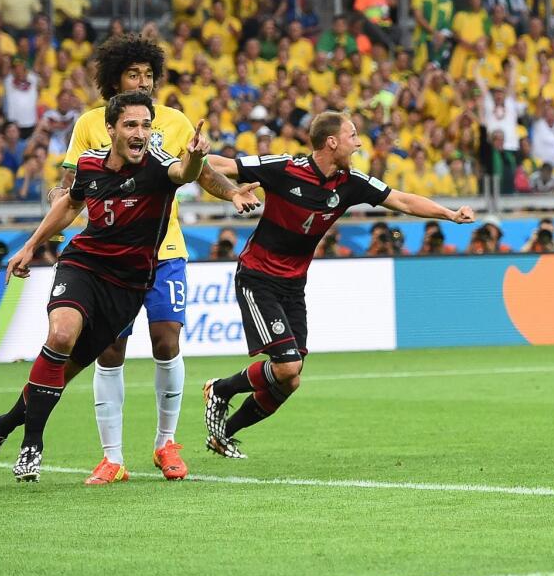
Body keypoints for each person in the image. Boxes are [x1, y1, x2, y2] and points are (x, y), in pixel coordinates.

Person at [0, 92, 256, 482]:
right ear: (111, 129)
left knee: (63, 372)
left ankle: (4, 424)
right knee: (61, 334)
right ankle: (33, 443)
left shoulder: (159, 166)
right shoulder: (88, 163)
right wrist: (31, 245)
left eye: (146, 125)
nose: (140, 133)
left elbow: (185, 173)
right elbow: (69, 205)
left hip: (127, 287)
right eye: (131, 125)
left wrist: (200, 157)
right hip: (84, 265)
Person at [200, 111, 475, 458]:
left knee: (291, 380)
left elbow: (402, 200)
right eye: (353, 135)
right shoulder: (284, 168)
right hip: (258, 277)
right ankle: (220, 389)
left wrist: (449, 214)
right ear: (331, 142)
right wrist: (193, 156)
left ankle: (223, 433)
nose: (359, 143)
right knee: (287, 366)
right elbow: (223, 164)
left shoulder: (351, 183)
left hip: (293, 285)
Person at [54, 34, 253, 485]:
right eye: (133, 74)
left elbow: (194, 170)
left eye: (148, 74)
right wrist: (60, 200)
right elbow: (70, 187)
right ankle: (112, 458)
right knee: (110, 350)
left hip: (164, 252)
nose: (143, 81)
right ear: (114, 80)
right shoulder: (90, 123)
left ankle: (166, 445)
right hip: (109, 257)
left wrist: (233, 190)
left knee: (167, 341)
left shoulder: (175, 121)